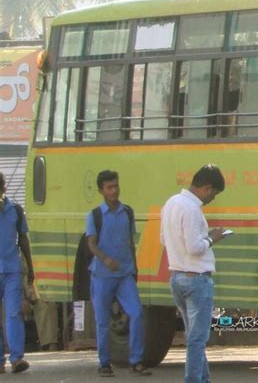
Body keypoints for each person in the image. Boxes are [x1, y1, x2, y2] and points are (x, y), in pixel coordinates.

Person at [161, 164, 226, 383]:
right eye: (214, 194)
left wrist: (201, 236)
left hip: (176, 276)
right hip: (196, 280)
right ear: (207, 188)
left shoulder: (171, 203)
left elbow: (165, 239)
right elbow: (195, 248)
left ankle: (204, 378)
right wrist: (212, 238)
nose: (212, 199)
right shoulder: (191, 209)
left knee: (193, 335)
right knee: (197, 339)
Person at [86, 170, 150, 377]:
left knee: (137, 313)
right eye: (109, 187)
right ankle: (105, 363)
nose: (114, 190)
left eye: (116, 186)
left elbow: (130, 242)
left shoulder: (127, 212)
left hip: (124, 274)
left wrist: (135, 268)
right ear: (101, 191)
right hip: (102, 276)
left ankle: (136, 361)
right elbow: (91, 245)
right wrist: (105, 259)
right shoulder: (95, 215)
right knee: (103, 321)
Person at [0, 172, 34, 373]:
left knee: (13, 313)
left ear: (4, 188)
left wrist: (30, 266)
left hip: (12, 269)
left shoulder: (16, 210)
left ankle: (16, 358)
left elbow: (23, 239)